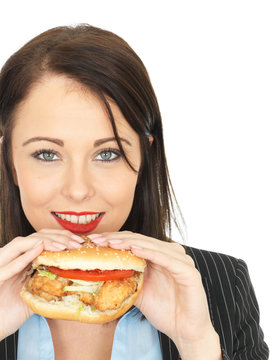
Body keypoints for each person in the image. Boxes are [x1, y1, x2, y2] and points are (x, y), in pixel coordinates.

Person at [0, 24, 268, 360]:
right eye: (47, 154)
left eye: (107, 154)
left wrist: (197, 343)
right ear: (10, 161)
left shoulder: (223, 283)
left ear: (144, 159)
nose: (79, 190)